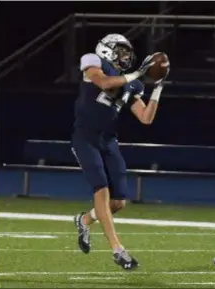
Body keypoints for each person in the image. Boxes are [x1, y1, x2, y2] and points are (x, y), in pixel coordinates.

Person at [72, 34, 169, 270]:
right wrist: (136, 75)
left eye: (127, 53)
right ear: (106, 49)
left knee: (118, 203)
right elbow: (104, 83)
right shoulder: (92, 60)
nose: (126, 56)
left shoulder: (131, 83)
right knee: (102, 189)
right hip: (86, 137)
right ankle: (118, 250)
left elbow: (146, 118)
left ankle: (84, 220)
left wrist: (157, 88)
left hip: (108, 140)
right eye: (121, 51)